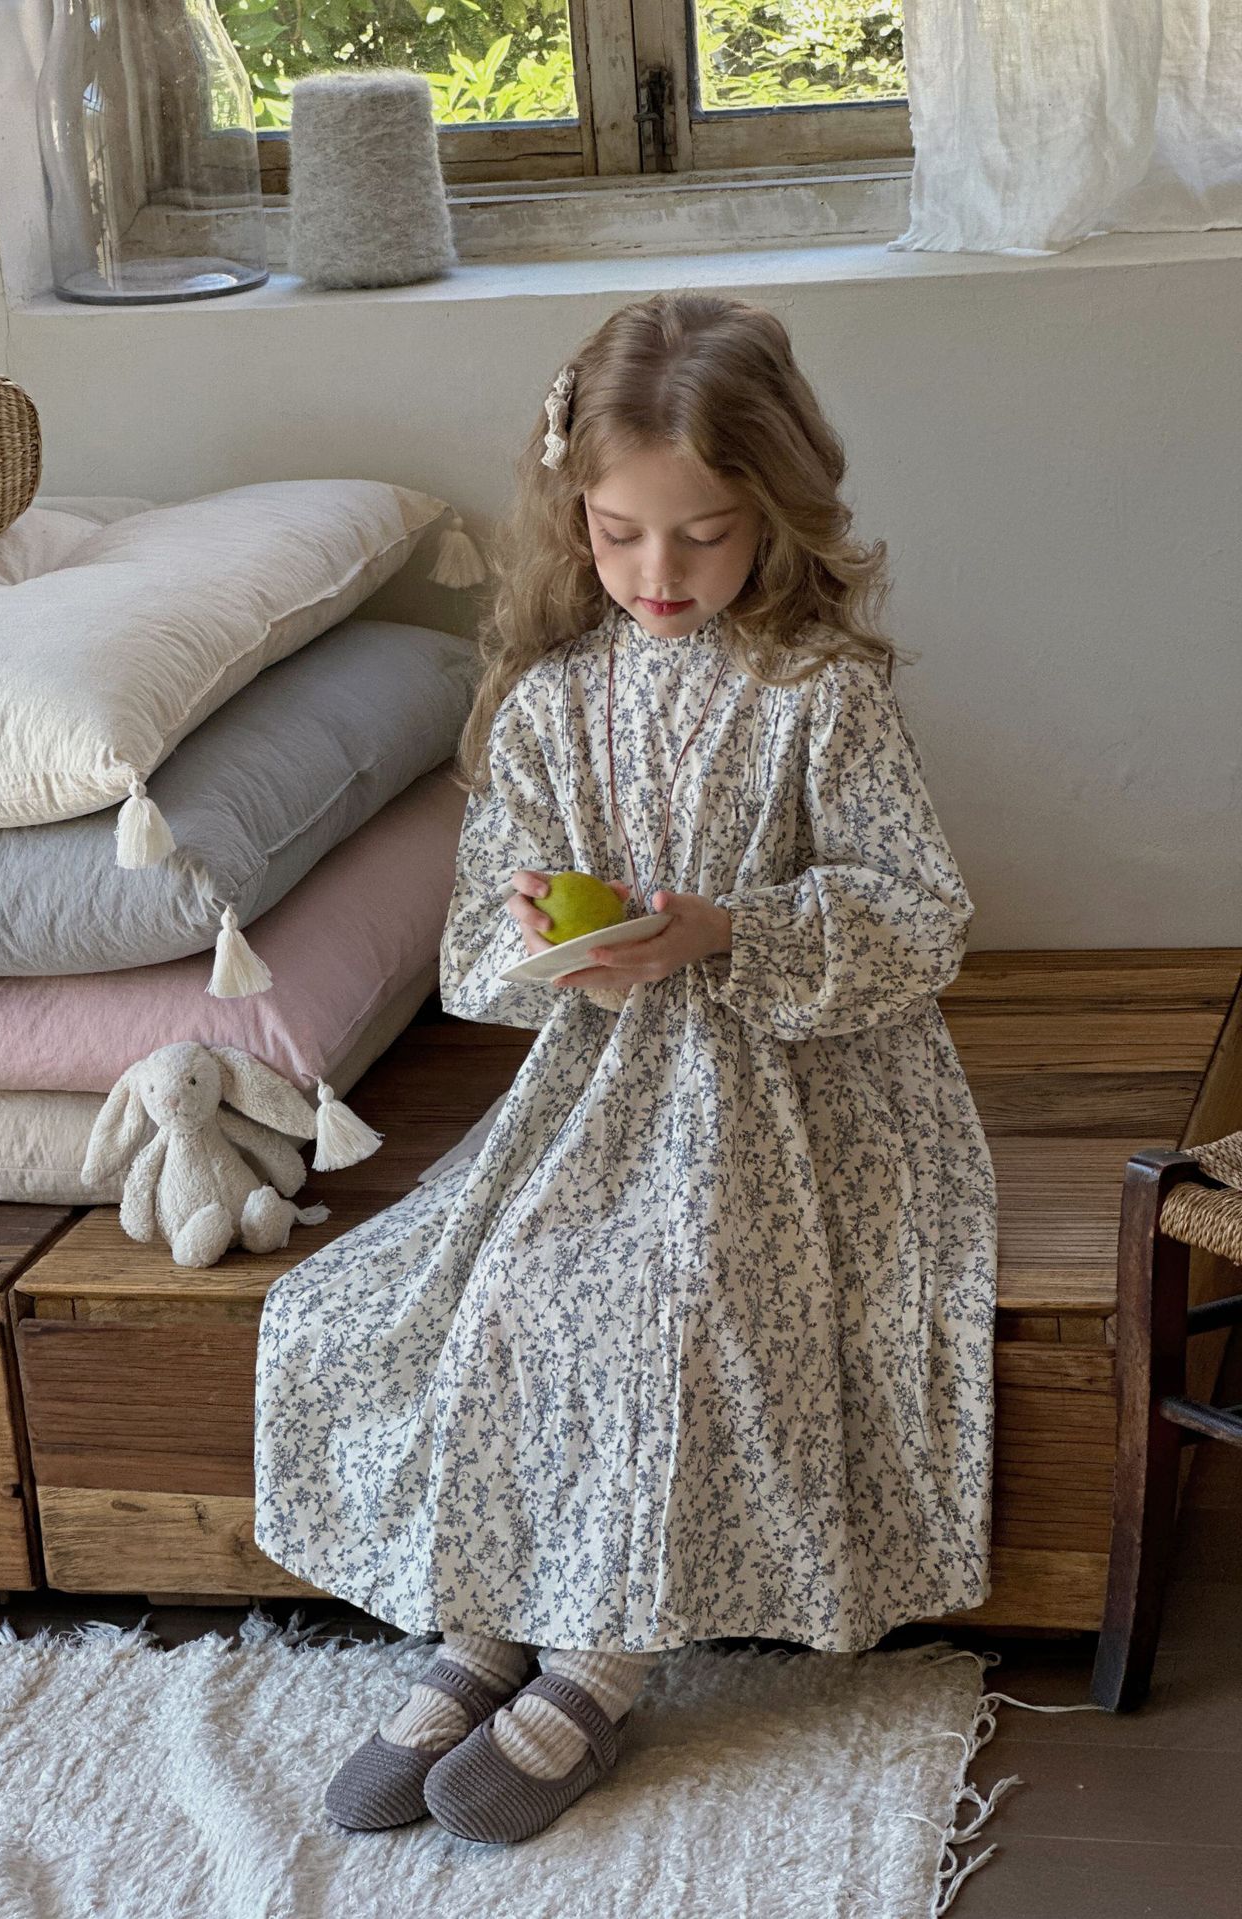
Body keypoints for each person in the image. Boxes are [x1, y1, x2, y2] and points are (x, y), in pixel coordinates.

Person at [253, 291, 997, 1847]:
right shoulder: (548, 706)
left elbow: (921, 915)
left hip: (799, 1085)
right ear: (571, 514)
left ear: (775, 514)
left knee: (672, 1290)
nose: (660, 573)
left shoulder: (821, 695)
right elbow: (475, 953)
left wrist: (731, 932)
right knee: (480, 1286)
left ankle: (601, 1657)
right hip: (601, 1085)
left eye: (704, 535)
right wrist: (549, 944)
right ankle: (485, 1623)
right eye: (619, 534)